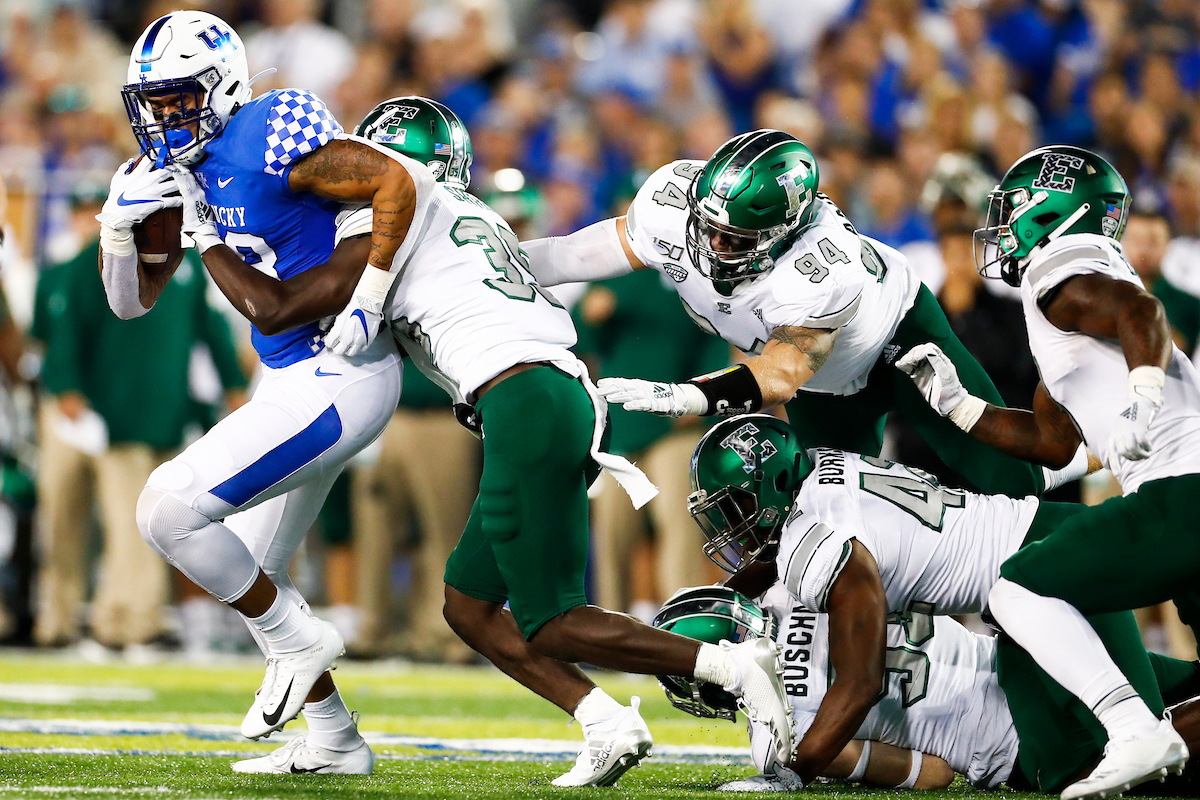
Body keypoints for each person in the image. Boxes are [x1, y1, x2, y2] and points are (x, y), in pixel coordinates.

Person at [169, 95, 798, 787]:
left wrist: (214, 229)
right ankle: (604, 719)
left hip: (525, 398)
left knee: (552, 619)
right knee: (468, 607)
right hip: (547, 395)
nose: (337, 178)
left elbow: (299, 304)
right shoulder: (476, 217)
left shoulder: (395, 216)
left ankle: (732, 666)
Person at [99, 10, 415, 773]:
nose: (164, 118)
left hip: (340, 371)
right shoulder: (180, 166)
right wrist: (117, 233)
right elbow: (130, 304)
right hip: (288, 376)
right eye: (153, 103)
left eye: (178, 98)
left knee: (168, 510)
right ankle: (337, 738)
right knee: (248, 571)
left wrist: (370, 293)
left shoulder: (272, 124)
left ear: (224, 84)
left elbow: (381, 191)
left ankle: (301, 641)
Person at [518, 129, 1061, 500]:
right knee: (827, 518)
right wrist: (492, 267)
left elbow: (782, 372)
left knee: (1011, 481)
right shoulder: (671, 201)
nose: (709, 244)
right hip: (824, 388)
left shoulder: (822, 266)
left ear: (785, 232)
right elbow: (573, 256)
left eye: (732, 238)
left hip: (899, 340)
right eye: (705, 225)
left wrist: (687, 395)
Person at [896, 144, 1200, 799]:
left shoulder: (1061, 264)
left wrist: (1144, 400)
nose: (1002, 227)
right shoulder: (1069, 296)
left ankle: (1132, 726)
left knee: (1018, 590)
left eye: (1013, 211)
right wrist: (958, 405)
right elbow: (1054, 442)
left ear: (1053, 212)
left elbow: (1140, 315)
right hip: (1184, 490)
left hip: (1183, 491)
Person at [685, 413, 1190, 796]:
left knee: (1134, 750)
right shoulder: (821, 474)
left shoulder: (809, 550)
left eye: (736, 507)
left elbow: (862, 686)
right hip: (1030, 597)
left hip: (1040, 590)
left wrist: (791, 770)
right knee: (1179, 690)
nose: (730, 526)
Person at [652, 584, 1200, 795]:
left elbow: (933, 774)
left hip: (1021, 746)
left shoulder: (779, 740)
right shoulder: (795, 585)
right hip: (1041, 653)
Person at [32, 184, 246, 653]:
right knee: (81, 523)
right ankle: (105, 618)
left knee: (139, 522)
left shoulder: (189, 266)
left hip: (162, 413)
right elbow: (63, 329)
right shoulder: (95, 260)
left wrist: (233, 384)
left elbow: (211, 330)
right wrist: (69, 388)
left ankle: (127, 618)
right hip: (111, 414)